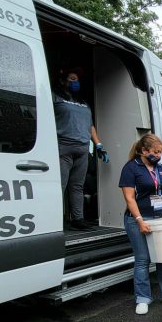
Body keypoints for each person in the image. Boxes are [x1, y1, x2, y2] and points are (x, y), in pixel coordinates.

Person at [119, 134, 162, 315]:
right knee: (142, 260)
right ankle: (143, 298)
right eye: (155, 152)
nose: (158, 155)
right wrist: (139, 220)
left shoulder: (160, 168)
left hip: (159, 219)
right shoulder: (131, 168)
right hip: (138, 218)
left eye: (160, 152)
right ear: (143, 151)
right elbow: (129, 198)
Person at [54, 68, 108, 231]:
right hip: (63, 145)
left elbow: (90, 125)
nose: (75, 82)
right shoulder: (55, 98)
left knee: (77, 186)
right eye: (71, 79)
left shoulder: (84, 103)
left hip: (83, 148)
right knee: (60, 185)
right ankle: (55, 220)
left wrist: (98, 144)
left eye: (76, 79)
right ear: (63, 81)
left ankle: (78, 219)